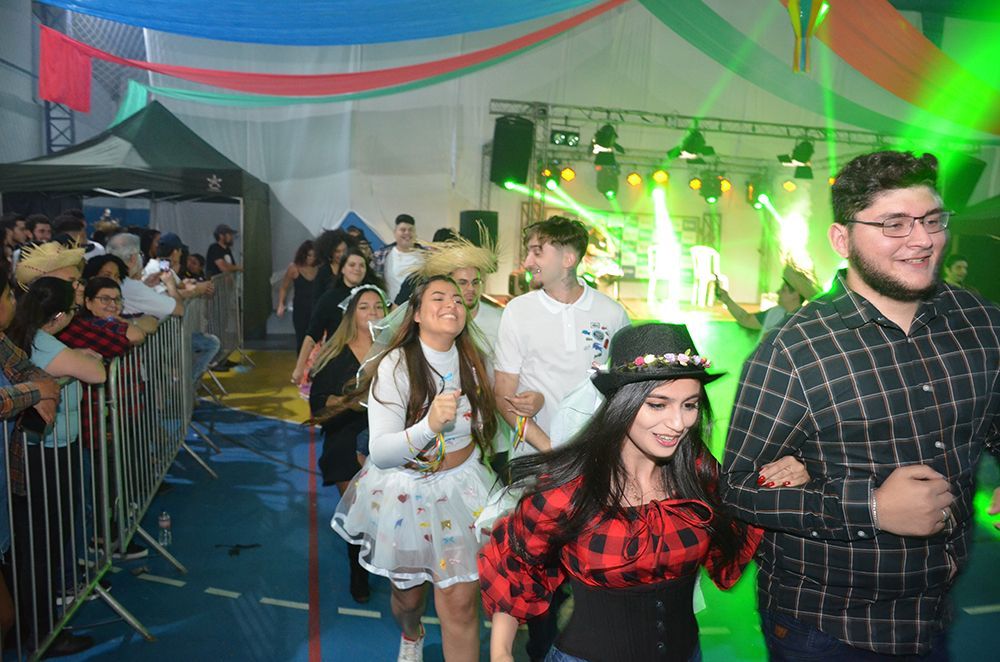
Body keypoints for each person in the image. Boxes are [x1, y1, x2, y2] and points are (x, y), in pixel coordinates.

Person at [721, 150, 1000, 660]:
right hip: (826, 625)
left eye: (933, 220)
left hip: (934, 613)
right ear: (841, 239)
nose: (922, 239)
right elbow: (737, 489)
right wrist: (872, 508)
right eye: (894, 224)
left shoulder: (983, 323)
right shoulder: (795, 350)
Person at [479, 323, 808, 662]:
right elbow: (516, 565)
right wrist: (501, 653)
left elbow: (738, 520)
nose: (678, 423)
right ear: (622, 403)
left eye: (690, 405)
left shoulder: (697, 472)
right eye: (658, 405)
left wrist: (783, 477)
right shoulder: (571, 490)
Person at [331, 275, 498, 662]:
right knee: (408, 600)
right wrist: (429, 426)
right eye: (438, 297)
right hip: (408, 495)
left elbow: (483, 425)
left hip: (462, 491)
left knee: (461, 605)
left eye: (457, 299)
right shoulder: (396, 365)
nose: (451, 304)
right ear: (417, 313)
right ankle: (411, 632)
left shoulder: (473, 360)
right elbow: (381, 452)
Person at [492, 215, 631, 660]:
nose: (528, 259)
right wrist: (550, 449)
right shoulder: (518, 311)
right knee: (536, 563)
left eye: (538, 251)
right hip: (538, 462)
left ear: (568, 258)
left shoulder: (612, 313)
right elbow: (502, 394)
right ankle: (540, 648)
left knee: (588, 562)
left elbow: (624, 392)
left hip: (595, 464)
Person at [7, 277, 106, 657]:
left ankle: (28, 627)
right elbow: (96, 374)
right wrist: (58, 378)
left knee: (31, 547)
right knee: (43, 547)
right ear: (61, 315)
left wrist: (70, 360)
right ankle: (42, 632)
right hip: (45, 456)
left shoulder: (21, 338)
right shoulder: (42, 343)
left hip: (36, 454)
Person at [308, 284, 387, 603]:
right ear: (352, 314)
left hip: (384, 434)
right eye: (364, 307)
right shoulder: (335, 354)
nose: (372, 312)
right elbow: (317, 402)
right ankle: (358, 571)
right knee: (358, 508)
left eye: (378, 307)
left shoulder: (394, 351)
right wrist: (345, 403)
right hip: (344, 433)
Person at [291, 248, 379, 384]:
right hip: (335, 362)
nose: (357, 269)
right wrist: (299, 368)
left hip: (365, 361)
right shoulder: (329, 298)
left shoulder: (374, 296)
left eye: (362, 265)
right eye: (352, 265)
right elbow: (312, 334)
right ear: (342, 269)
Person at [715, 263, 819, 339]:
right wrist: (726, 300)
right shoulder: (776, 312)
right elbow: (746, 319)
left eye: (783, 290)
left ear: (795, 295)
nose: (778, 292)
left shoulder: (805, 322)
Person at [277, 240, 319, 352]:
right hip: (301, 309)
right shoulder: (294, 268)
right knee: (302, 338)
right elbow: (284, 287)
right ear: (303, 255)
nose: (311, 258)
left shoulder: (320, 268)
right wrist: (281, 304)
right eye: (309, 255)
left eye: (314, 256)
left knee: (317, 338)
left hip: (316, 307)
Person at [372, 214, 424, 303]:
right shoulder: (381, 255)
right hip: (392, 307)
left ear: (415, 233)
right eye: (403, 230)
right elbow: (374, 283)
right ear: (395, 232)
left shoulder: (427, 255)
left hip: (419, 306)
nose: (407, 233)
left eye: (410, 230)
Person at [311, 229, 352, 303]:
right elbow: (316, 298)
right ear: (330, 252)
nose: (342, 254)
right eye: (337, 251)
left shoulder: (353, 268)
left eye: (344, 250)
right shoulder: (323, 272)